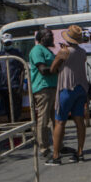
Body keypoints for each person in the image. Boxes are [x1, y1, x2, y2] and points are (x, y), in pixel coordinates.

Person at [46, 25, 89, 165]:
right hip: (81, 88)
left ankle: (56, 156)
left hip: (66, 88)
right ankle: (80, 153)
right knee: (79, 121)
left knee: (60, 122)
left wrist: (61, 53)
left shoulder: (64, 51)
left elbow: (53, 69)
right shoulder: (82, 52)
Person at [29, 28, 57, 158]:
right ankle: (44, 148)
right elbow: (43, 70)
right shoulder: (37, 50)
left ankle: (57, 145)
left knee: (55, 119)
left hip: (52, 87)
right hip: (43, 88)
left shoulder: (48, 50)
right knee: (44, 119)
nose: (52, 37)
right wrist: (57, 68)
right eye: (49, 35)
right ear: (42, 37)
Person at [0, 33, 24, 122]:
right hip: (4, 86)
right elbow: (0, 69)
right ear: (2, 42)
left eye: (9, 43)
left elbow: (22, 69)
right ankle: (11, 124)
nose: (8, 44)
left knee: (16, 109)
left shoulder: (17, 53)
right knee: (7, 108)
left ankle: (16, 123)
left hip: (15, 85)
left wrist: (21, 86)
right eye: (6, 43)